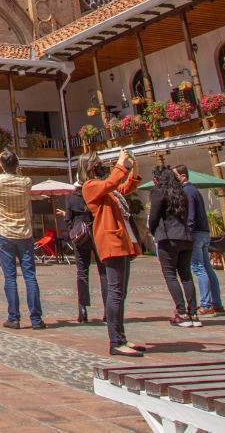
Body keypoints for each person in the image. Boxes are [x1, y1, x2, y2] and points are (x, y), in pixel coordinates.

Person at [81, 148, 144, 357]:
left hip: (122, 240)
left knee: (120, 292)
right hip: (110, 241)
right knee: (115, 292)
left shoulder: (106, 190)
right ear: (91, 167)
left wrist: (132, 169)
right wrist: (120, 163)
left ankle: (122, 337)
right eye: (99, 162)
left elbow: (123, 188)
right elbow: (112, 182)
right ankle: (115, 341)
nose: (102, 165)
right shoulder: (90, 187)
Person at [0, 150, 45, 329]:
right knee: (30, 276)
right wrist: (17, 168)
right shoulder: (26, 181)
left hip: (4, 232)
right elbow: (23, 178)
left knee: (10, 277)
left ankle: (14, 317)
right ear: (17, 165)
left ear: (2, 165)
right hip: (24, 232)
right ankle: (36, 319)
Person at [148, 165, 200, 328]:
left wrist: (152, 230)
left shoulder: (159, 192)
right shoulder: (182, 192)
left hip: (168, 237)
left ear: (158, 179)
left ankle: (182, 313)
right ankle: (193, 314)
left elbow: (155, 216)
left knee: (170, 275)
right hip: (185, 237)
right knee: (186, 276)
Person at [175, 164, 225, 315]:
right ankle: (217, 304)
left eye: (175, 176)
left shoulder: (187, 191)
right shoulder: (194, 190)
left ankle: (206, 304)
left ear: (183, 176)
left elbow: (190, 215)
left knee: (198, 268)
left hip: (195, 233)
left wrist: (187, 233)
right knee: (207, 268)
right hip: (203, 232)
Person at [59, 172, 96, 324]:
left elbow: (68, 218)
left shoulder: (73, 198)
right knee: (104, 272)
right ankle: (109, 309)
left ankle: (83, 309)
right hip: (96, 232)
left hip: (80, 235)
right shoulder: (95, 196)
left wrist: (70, 220)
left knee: (82, 272)